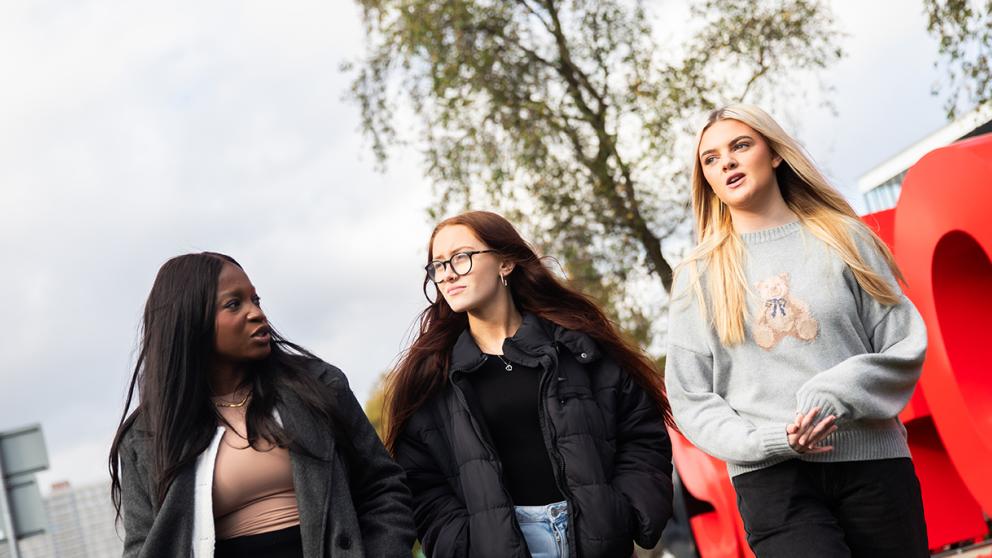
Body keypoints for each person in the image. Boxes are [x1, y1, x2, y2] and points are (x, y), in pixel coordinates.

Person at [665, 104, 929, 557]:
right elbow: (690, 396)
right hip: (771, 482)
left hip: (874, 463)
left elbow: (902, 345)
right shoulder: (698, 275)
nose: (725, 161)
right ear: (705, 178)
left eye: (740, 146)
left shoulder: (844, 238)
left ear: (774, 155)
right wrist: (765, 442)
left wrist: (832, 394)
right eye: (710, 158)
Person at [386, 211, 673, 558]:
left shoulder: (576, 348)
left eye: (460, 258)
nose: (448, 274)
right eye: (438, 265)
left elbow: (641, 433)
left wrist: (623, 510)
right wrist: (466, 545)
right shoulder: (432, 376)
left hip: (597, 539)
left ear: (505, 264)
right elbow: (419, 482)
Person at [108, 252, 415, 558]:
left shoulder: (319, 386)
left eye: (256, 300)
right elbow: (142, 546)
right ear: (190, 321)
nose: (256, 313)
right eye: (234, 304)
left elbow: (382, 486)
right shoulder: (145, 437)